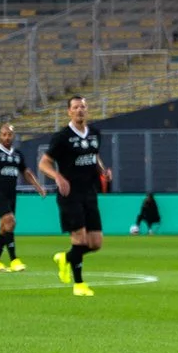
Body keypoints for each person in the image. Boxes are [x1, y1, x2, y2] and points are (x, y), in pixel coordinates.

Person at [37, 96, 113, 299]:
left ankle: (66, 257)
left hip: (89, 193)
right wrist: (57, 176)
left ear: (87, 110)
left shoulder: (95, 134)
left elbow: (94, 156)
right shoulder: (62, 137)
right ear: (69, 112)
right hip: (69, 194)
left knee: (95, 243)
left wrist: (103, 171)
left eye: (83, 107)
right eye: (76, 107)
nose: (80, 110)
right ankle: (79, 284)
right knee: (79, 238)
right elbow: (43, 163)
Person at [0, 122, 49, 271]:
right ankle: (14, 260)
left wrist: (38, 187)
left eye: (9, 135)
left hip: (11, 195)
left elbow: (26, 173)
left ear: (13, 136)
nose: (7, 137)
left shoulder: (17, 155)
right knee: (10, 222)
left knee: (4, 228)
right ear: (0, 136)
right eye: (4, 135)